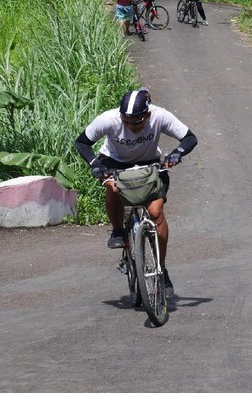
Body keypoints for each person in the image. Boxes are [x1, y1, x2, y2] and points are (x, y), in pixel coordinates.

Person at [74, 88, 198, 297]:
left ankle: (160, 269)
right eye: (127, 122)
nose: (131, 127)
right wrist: (95, 164)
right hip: (114, 162)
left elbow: (189, 138)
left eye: (137, 123)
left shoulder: (159, 116)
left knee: (156, 213)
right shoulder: (108, 119)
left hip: (149, 163)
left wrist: (177, 153)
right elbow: (82, 142)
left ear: (147, 114)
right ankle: (117, 231)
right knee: (113, 186)